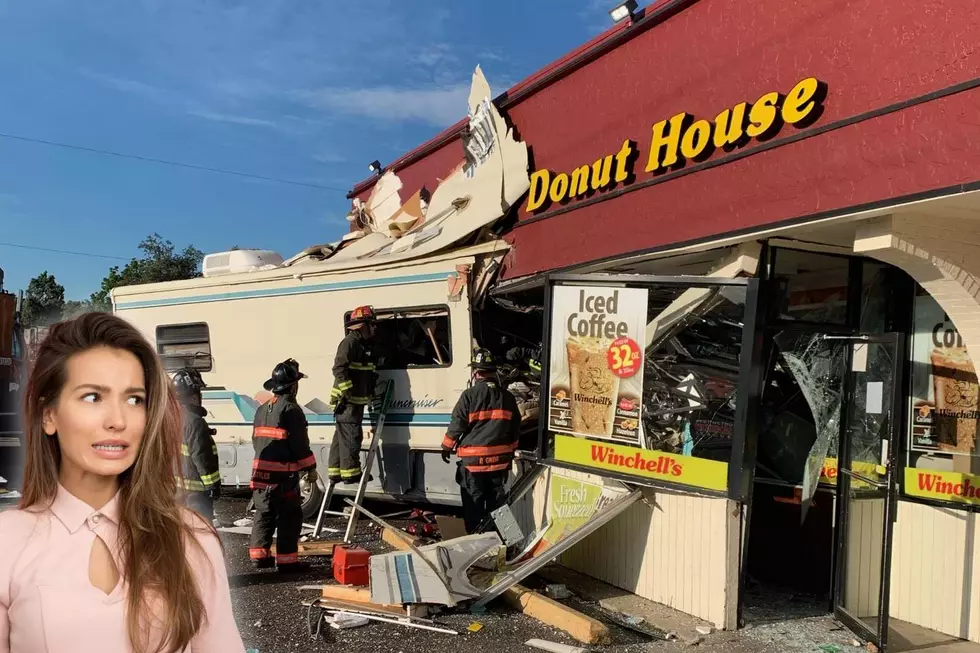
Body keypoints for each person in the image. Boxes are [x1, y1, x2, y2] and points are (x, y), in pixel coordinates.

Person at [0, 312, 244, 653]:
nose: (118, 420)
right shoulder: (7, 541)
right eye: (92, 397)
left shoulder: (192, 537)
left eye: (134, 399)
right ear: (49, 415)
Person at [442, 349, 522, 534]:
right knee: (499, 508)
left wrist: (446, 446)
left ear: (476, 373)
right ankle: (508, 545)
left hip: (473, 466)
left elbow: (457, 424)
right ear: (494, 372)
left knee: (474, 508)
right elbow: (515, 430)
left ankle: (477, 549)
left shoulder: (469, 395)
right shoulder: (508, 397)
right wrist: (509, 452)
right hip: (498, 464)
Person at [249, 358, 317, 573]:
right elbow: (299, 444)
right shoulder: (291, 410)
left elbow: (255, 441)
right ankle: (287, 562)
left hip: (260, 474)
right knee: (289, 516)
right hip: (284, 477)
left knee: (264, 513)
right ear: (293, 385)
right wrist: (310, 468)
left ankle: (259, 557)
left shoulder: (262, 410)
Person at [328, 306, 378, 485]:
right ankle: (350, 473)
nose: (374, 328)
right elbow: (339, 368)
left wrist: (370, 391)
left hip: (352, 400)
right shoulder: (350, 342)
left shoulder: (363, 345)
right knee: (351, 435)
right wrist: (348, 392)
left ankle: (335, 472)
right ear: (362, 326)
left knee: (340, 437)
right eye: (372, 324)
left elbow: (367, 372)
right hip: (347, 401)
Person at [172, 368, 221, 523]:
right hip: (195, 495)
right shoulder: (195, 422)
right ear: (194, 395)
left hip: (174, 491)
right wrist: (212, 485)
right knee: (201, 534)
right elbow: (202, 456)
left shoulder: (169, 418)